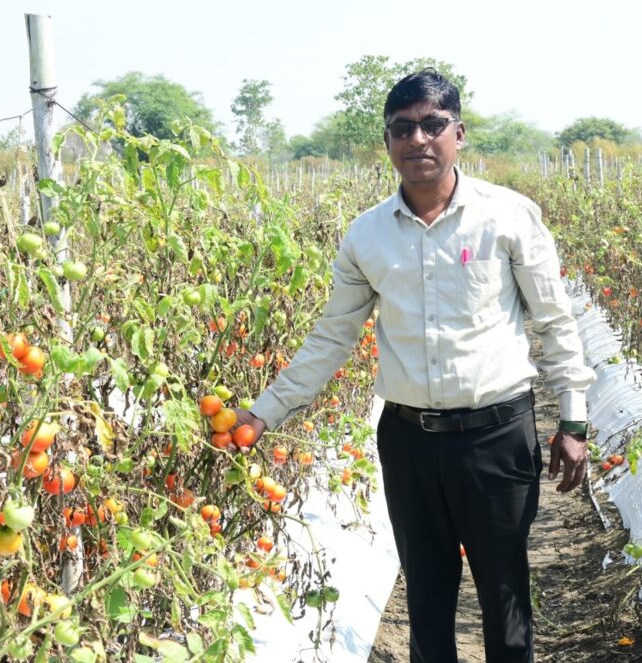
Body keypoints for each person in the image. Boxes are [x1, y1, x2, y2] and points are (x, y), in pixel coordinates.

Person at [225, 68, 595, 663]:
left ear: (459, 133)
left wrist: (572, 421)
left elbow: (554, 322)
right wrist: (263, 413)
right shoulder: (367, 235)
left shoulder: (507, 216)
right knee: (426, 595)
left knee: (505, 598)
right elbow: (331, 337)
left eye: (431, 125)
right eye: (402, 129)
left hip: (497, 436)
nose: (417, 140)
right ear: (388, 142)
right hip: (409, 440)